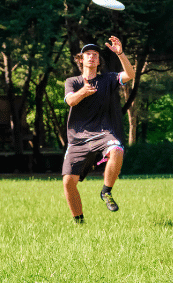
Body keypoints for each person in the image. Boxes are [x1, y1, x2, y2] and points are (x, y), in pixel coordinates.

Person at [63, 37, 134, 223]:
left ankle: (106, 191)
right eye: (88, 54)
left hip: (102, 133)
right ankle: (79, 222)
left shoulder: (108, 79)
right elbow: (70, 101)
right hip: (77, 137)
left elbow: (130, 75)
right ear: (81, 59)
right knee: (68, 182)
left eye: (95, 55)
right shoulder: (73, 82)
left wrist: (120, 53)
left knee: (117, 149)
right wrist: (83, 92)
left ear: (98, 60)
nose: (92, 57)